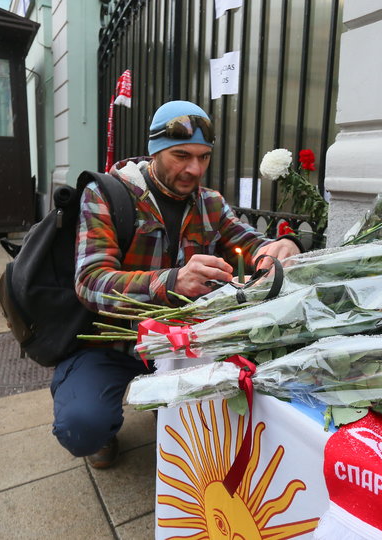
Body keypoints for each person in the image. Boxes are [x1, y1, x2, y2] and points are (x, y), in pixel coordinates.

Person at [52, 100, 302, 469]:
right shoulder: (105, 194)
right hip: (113, 342)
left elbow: (249, 242)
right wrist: (171, 280)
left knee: (212, 423)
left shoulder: (211, 203)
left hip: (183, 344)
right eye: (181, 155)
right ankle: (99, 430)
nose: (194, 169)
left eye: (204, 157)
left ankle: (164, 405)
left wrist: (280, 246)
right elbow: (91, 282)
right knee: (82, 426)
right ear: (154, 151)